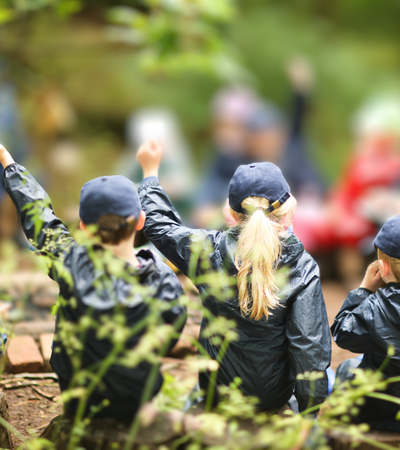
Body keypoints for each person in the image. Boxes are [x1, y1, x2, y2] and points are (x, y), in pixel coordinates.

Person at [137, 140, 331, 412]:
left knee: (194, 390)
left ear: (231, 213)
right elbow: (308, 347)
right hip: (272, 397)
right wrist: (309, 411)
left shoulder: (207, 251)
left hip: (219, 391)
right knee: (332, 376)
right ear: (288, 209)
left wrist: (150, 174)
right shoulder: (302, 266)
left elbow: (159, 226)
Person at [0, 143, 187, 420]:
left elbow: (40, 219)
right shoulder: (163, 280)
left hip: (80, 400)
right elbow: (169, 335)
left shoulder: (70, 263)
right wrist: (150, 171)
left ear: (84, 228)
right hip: (138, 399)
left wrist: (9, 163)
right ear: (140, 222)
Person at [331, 215, 400, 430]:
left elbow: (342, 333)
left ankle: (339, 429)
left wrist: (363, 289)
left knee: (346, 368)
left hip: (381, 412)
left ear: (382, 267)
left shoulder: (374, 307)